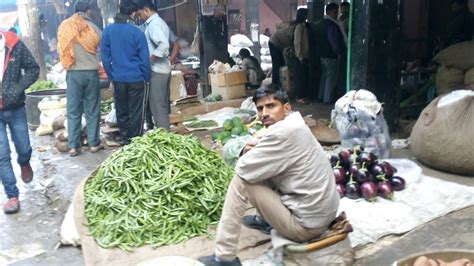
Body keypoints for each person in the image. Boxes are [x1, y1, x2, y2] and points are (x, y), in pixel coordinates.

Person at [198, 86, 340, 266]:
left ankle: (224, 257)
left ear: (286, 108)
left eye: (271, 106)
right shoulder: (295, 124)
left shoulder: (282, 133)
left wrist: (244, 152)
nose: (264, 113)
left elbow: (243, 168)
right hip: (321, 216)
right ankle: (265, 219)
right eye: (260, 108)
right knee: (263, 167)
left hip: (306, 227)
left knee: (242, 179)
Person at [101, 2, 151, 145]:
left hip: (118, 78)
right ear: (133, 13)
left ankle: (125, 140)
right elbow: (144, 60)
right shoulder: (137, 32)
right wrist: (147, 78)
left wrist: (112, 76)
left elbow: (105, 59)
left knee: (122, 110)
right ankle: (135, 142)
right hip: (136, 78)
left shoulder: (108, 31)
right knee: (136, 111)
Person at [0, 30, 40, 214]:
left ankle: (24, 162)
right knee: (2, 156)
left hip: (15, 107)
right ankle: (12, 195)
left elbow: (33, 68)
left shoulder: (13, 44)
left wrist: (18, 88)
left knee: (23, 147)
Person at [58, 2, 103, 156]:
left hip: (73, 74)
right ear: (88, 11)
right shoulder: (93, 28)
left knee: (73, 110)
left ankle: (73, 146)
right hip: (91, 74)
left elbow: (61, 48)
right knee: (92, 109)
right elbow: (101, 46)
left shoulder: (65, 27)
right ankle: (94, 144)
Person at [137, 0, 171, 130]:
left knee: (158, 106)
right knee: (160, 105)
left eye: (140, 14)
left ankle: (165, 138)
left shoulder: (154, 24)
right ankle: (163, 133)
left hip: (157, 71)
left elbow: (164, 44)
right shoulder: (159, 22)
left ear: (146, 10)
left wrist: (150, 59)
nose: (140, 17)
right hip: (162, 69)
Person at [268, 8, 308, 90]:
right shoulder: (298, 26)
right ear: (305, 16)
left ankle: (279, 85)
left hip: (278, 42)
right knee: (277, 64)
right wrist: (299, 56)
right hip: (275, 42)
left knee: (282, 64)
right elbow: (297, 42)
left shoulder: (294, 24)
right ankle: (276, 85)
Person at [315, 3, 346, 103]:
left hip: (321, 55)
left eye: (337, 12)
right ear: (328, 12)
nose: (337, 14)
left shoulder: (320, 24)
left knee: (324, 77)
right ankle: (327, 99)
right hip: (330, 55)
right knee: (331, 78)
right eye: (335, 12)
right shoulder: (332, 25)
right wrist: (339, 53)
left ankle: (321, 96)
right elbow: (333, 41)